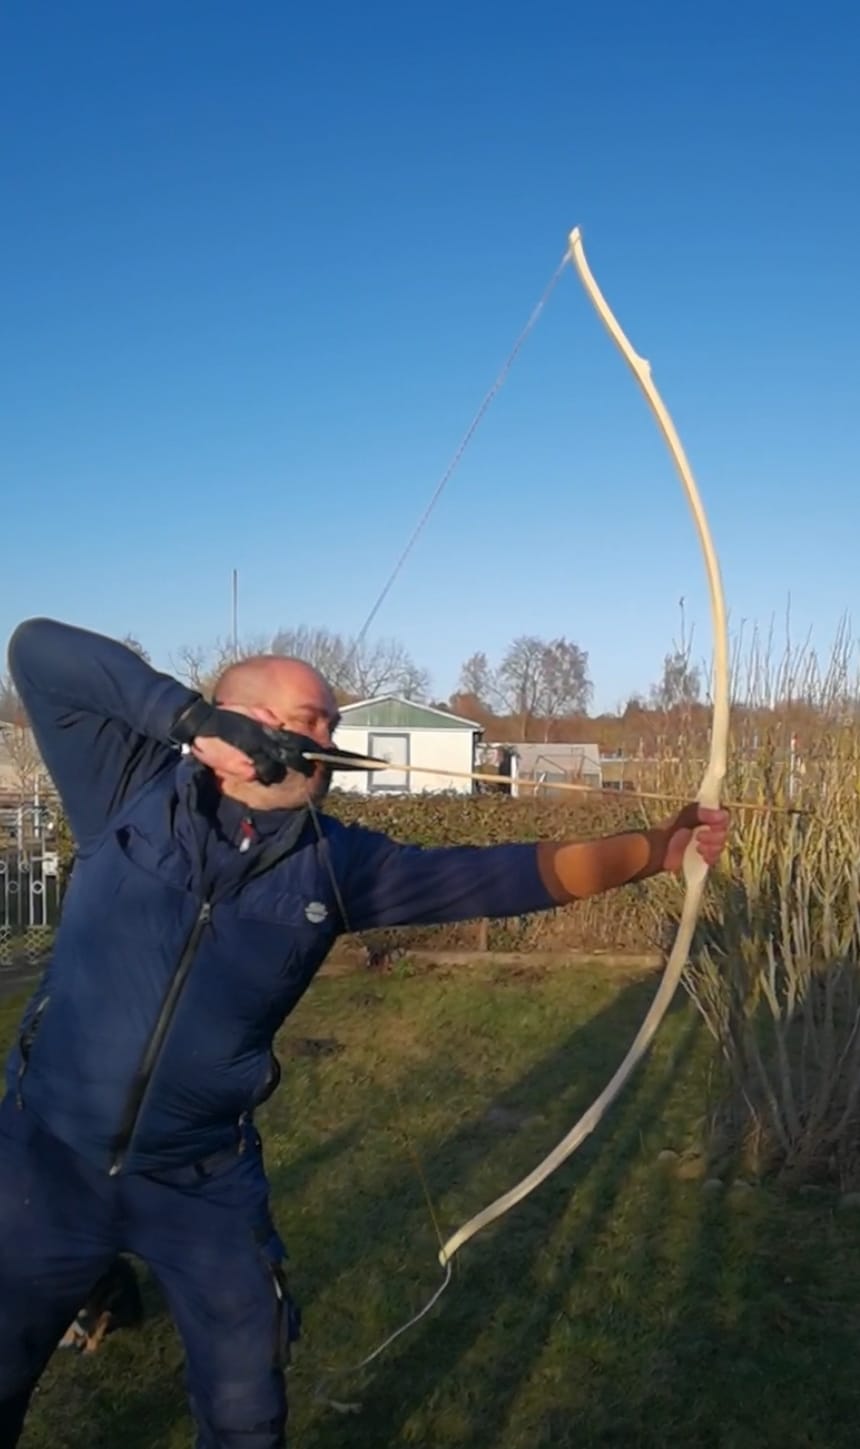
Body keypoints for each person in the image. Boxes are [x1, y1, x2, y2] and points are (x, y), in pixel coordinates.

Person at [0, 618, 729, 1447]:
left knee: (246, 1412)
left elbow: (498, 876)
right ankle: (96, 1288)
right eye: (310, 720)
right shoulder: (128, 790)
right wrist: (189, 717)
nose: (328, 740)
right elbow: (36, 651)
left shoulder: (337, 862)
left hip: (199, 1179)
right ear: (241, 724)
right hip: (45, 1156)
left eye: (334, 724)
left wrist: (655, 849)